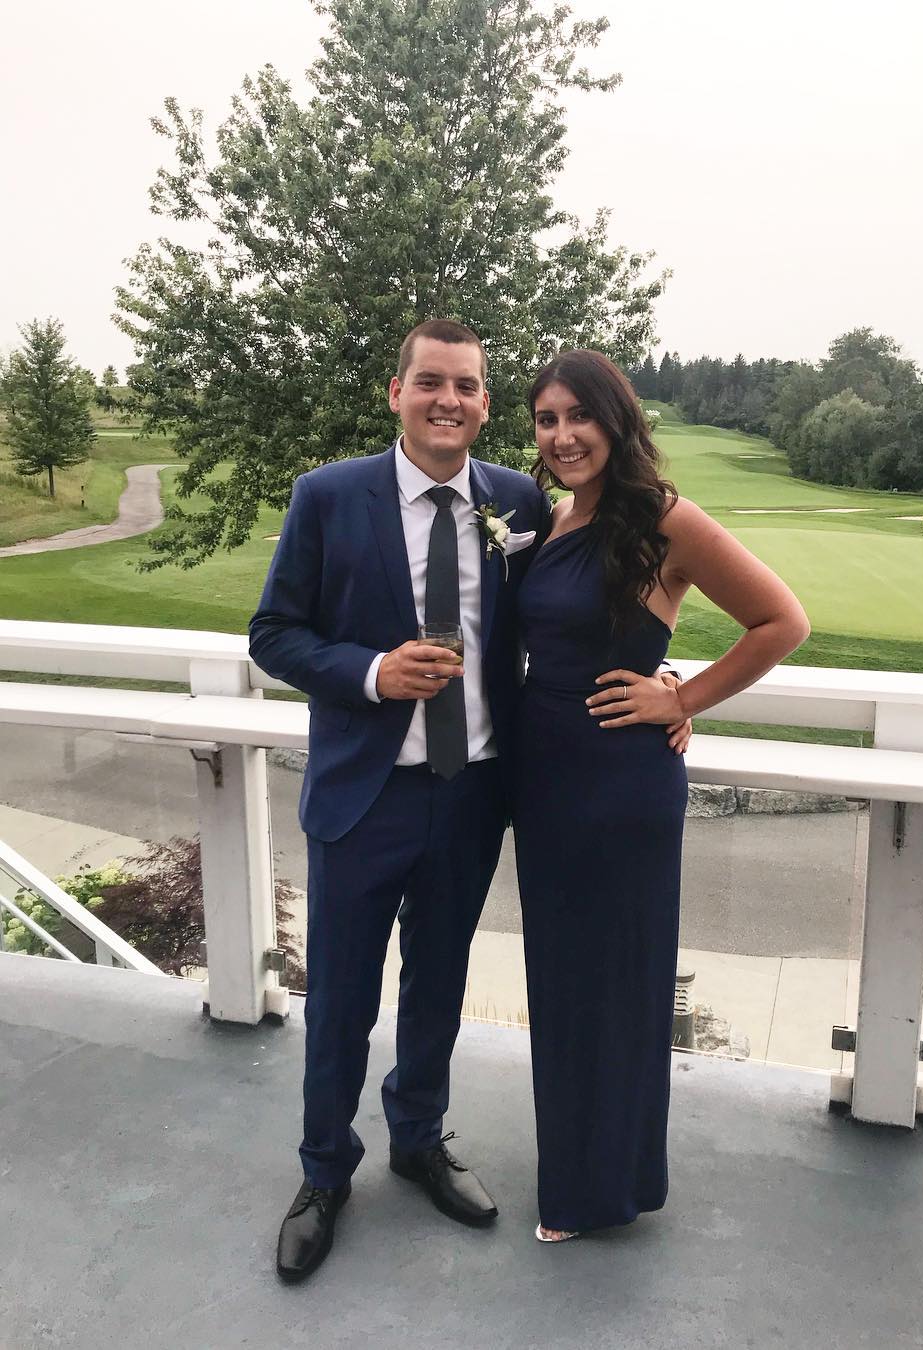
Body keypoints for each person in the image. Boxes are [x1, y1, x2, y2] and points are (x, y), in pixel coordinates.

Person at [249, 320, 554, 1282]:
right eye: (430, 382)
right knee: (341, 996)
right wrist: (373, 671)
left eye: (466, 385)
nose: (447, 400)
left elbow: (565, 617)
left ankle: (418, 1139)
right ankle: (323, 1173)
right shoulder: (329, 495)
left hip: (472, 792)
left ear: (485, 403)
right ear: (396, 393)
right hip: (364, 795)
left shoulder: (518, 502)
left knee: (439, 983)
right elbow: (274, 633)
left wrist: (664, 679)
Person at [513, 349, 810, 1242]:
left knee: (615, 983)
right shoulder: (551, 515)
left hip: (618, 783)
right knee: (562, 981)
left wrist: (681, 698)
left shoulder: (662, 518)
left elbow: (782, 621)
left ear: (616, 420)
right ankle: (598, 1171)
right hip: (545, 777)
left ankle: (593, 1192)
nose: (563, 435)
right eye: (547, 419)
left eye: (579, 416)